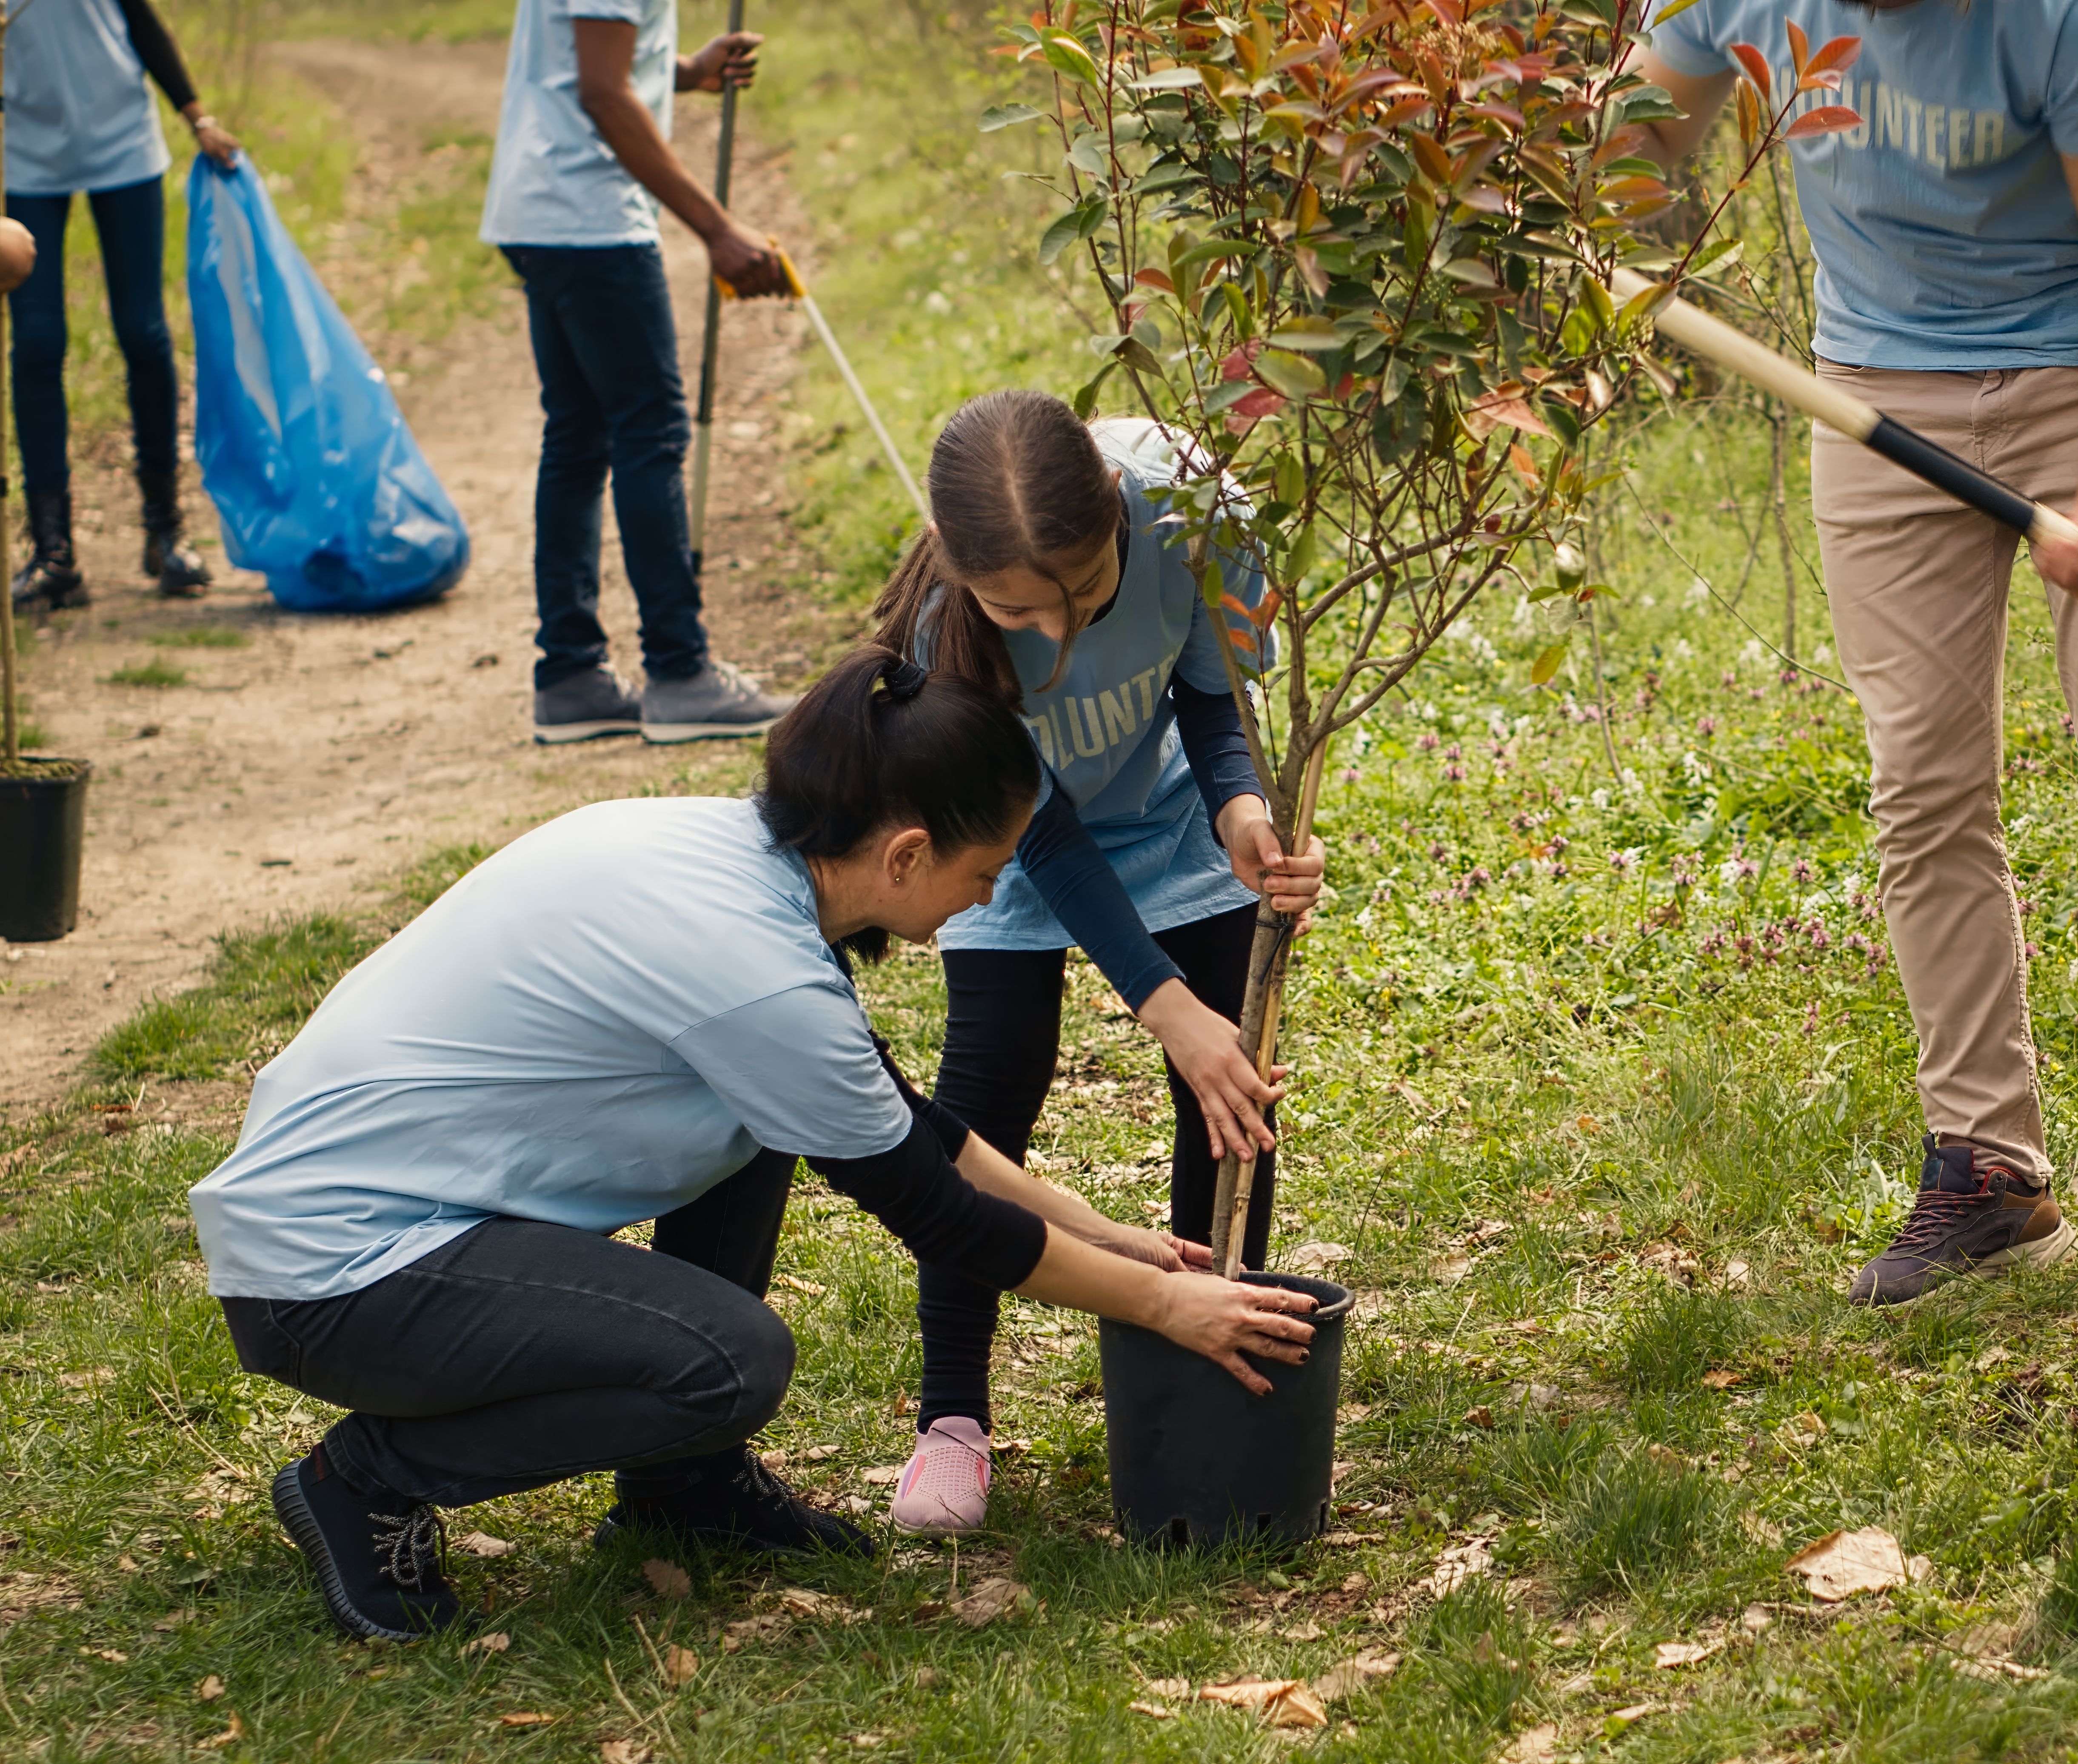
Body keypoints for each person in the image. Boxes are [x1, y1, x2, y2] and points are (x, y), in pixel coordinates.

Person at [189, 647, 1319, 1641]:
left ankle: (681, 1487)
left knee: (770, 1123)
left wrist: (1117, 1237)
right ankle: (365, 1479)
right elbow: (941, 1217)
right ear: (907, 855)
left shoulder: (734, 861)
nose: (983, 900)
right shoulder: (757, 974)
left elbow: (904, 1125)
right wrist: (1165, 1307)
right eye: (983, 872)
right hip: (335, 1275)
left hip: (384, 1220)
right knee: (731, 1362)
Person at [1633, 0, 2078, 1303]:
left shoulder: (2071, 20)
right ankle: (1990, 1169)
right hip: (1875, 392)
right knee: (1923, 783)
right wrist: (1524, 229)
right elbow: (1630, 155)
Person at [862, 391, 1324, 1533]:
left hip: (1168, 816)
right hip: (1011, 839)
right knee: (987, 1095)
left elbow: (1210, 696)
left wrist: (1241, 810)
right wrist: (1163, 1004)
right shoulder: (941, 632)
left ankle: (1216, 1346)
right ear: (957, 564)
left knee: (1230, 1095)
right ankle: (952, 1417)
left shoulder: (1194, 511)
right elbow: (1043, 831)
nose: (1057, 630)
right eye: (1022, 610)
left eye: (1085, 592)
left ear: (1117, 506)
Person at [477, 0, 798, 743]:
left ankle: (570, 677)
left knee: (579, 437)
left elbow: (593, 55)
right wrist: (716, 228)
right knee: (649, 432)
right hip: (587, 219)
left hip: (546, 209)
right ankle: (680, 673)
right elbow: (602, 91)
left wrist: (684, 72)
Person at [4, 0, 235, 610]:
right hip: (25, 152)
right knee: (37, 342)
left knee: (143, 333)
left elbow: (141, 21)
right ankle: (54, 553)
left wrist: (198, 117)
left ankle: (166, 531)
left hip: (122, 144)